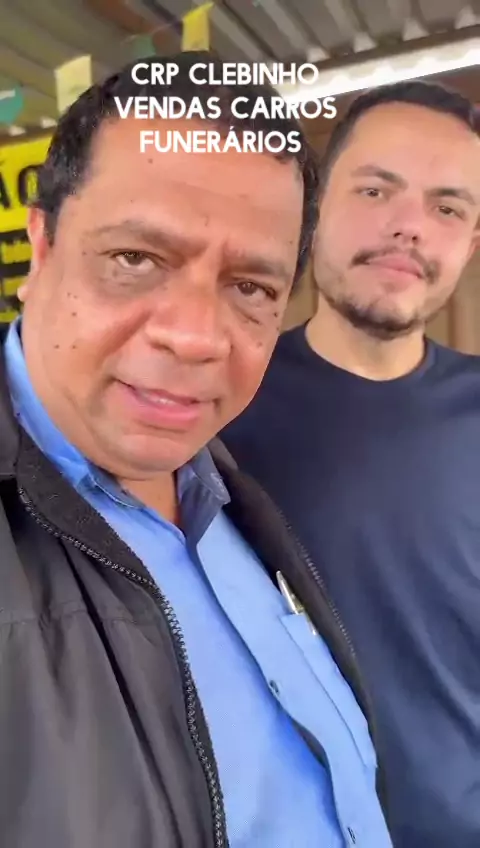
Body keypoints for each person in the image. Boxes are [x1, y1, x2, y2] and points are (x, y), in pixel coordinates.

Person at [0, 52, 392, 847]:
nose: (195, 336)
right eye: (135, 259)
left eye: (250, 287)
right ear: (41, 246)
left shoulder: (225, 490)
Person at [222, 80, 480, 848]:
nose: (409, 226)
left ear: (470, 243)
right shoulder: (214, 407)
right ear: (313, 210)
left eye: (448, 208)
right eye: (375, 190)